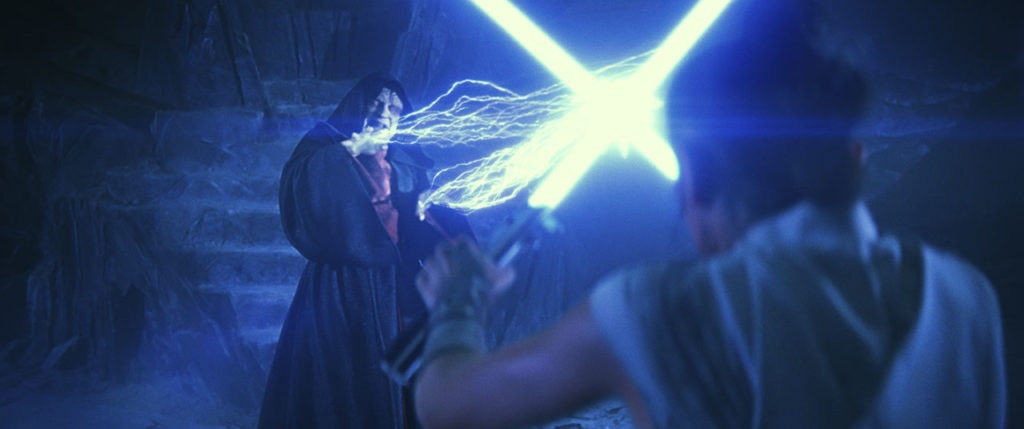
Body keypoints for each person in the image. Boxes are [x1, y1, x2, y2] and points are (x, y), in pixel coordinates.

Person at [411, 6, 1006, 429]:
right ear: (855, 158)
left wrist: (458, 302)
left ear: (694, 184)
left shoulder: (658, 310)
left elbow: (448, 406)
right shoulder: (966, 297)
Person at [258, 73, 474, 429]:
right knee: (342, 378)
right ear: (359, 106)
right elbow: (300, 191)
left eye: (394, 108)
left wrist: (444, 226)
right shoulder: (326, 145)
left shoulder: (407, 161)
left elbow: (420, 221)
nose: (383, 113)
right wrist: (350, 151)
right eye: (376, 103)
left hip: (397, 285)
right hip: (341, 287)